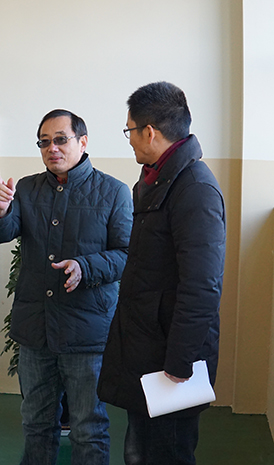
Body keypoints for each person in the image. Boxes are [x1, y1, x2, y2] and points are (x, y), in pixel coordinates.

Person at [0, 109, 133, 465]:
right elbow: (2, 234)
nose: (52, 148)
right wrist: (0, 210)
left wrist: (85, 266)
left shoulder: (113, 191)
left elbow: (128, 254)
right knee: (36, 424)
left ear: (83, 142)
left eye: (61, 140)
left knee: (88, 428)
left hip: (87, 333)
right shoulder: (27, 188)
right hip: (36, 329)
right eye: (44, 142)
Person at [97, 82, 226, 465]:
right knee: (139, 451)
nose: (130, 141)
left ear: (149, 132)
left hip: (171, 362)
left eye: (130, 131)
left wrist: (179, 363)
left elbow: (202, 287)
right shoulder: (156, 180)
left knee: (167, 453)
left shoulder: (194, 189)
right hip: (147, 351)